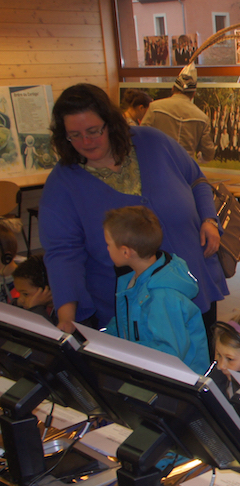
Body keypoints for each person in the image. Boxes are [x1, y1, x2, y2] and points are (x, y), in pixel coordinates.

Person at [39, 83, 227, 335]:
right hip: (132, 310)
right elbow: (62, 254)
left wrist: (209, 220)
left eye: (93, 131)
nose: (86, 141)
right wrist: (66, 317)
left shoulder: (153, 142)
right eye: (74, 135)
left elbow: (197, 180)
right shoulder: (62, 183)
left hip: (192, 286)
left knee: (200, 353)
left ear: (110, 123)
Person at [102, 206, 209, 373]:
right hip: (145, 369)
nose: (107, 248)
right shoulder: (130, 279)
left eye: (108, 244)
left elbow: (170, 354)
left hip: (178, 380)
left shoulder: (163, 296)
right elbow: (124, 324)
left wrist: (126, 352)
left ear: (125, 252)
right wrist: (102, 340)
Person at [140, 65, 216, 162]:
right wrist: (202, 158)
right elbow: (209, 152)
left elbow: (141, 137)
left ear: (173, 88)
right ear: (193, 94)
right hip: (185, 167)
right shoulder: (202, 118)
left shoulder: (154, 108)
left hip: (159, 164)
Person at [12, 255, 54, 323]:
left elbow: (44, 328)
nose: (20, 300)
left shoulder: (66, 312)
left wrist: (35, 308)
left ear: (46, 289)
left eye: (25, 294)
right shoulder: (22, 303)